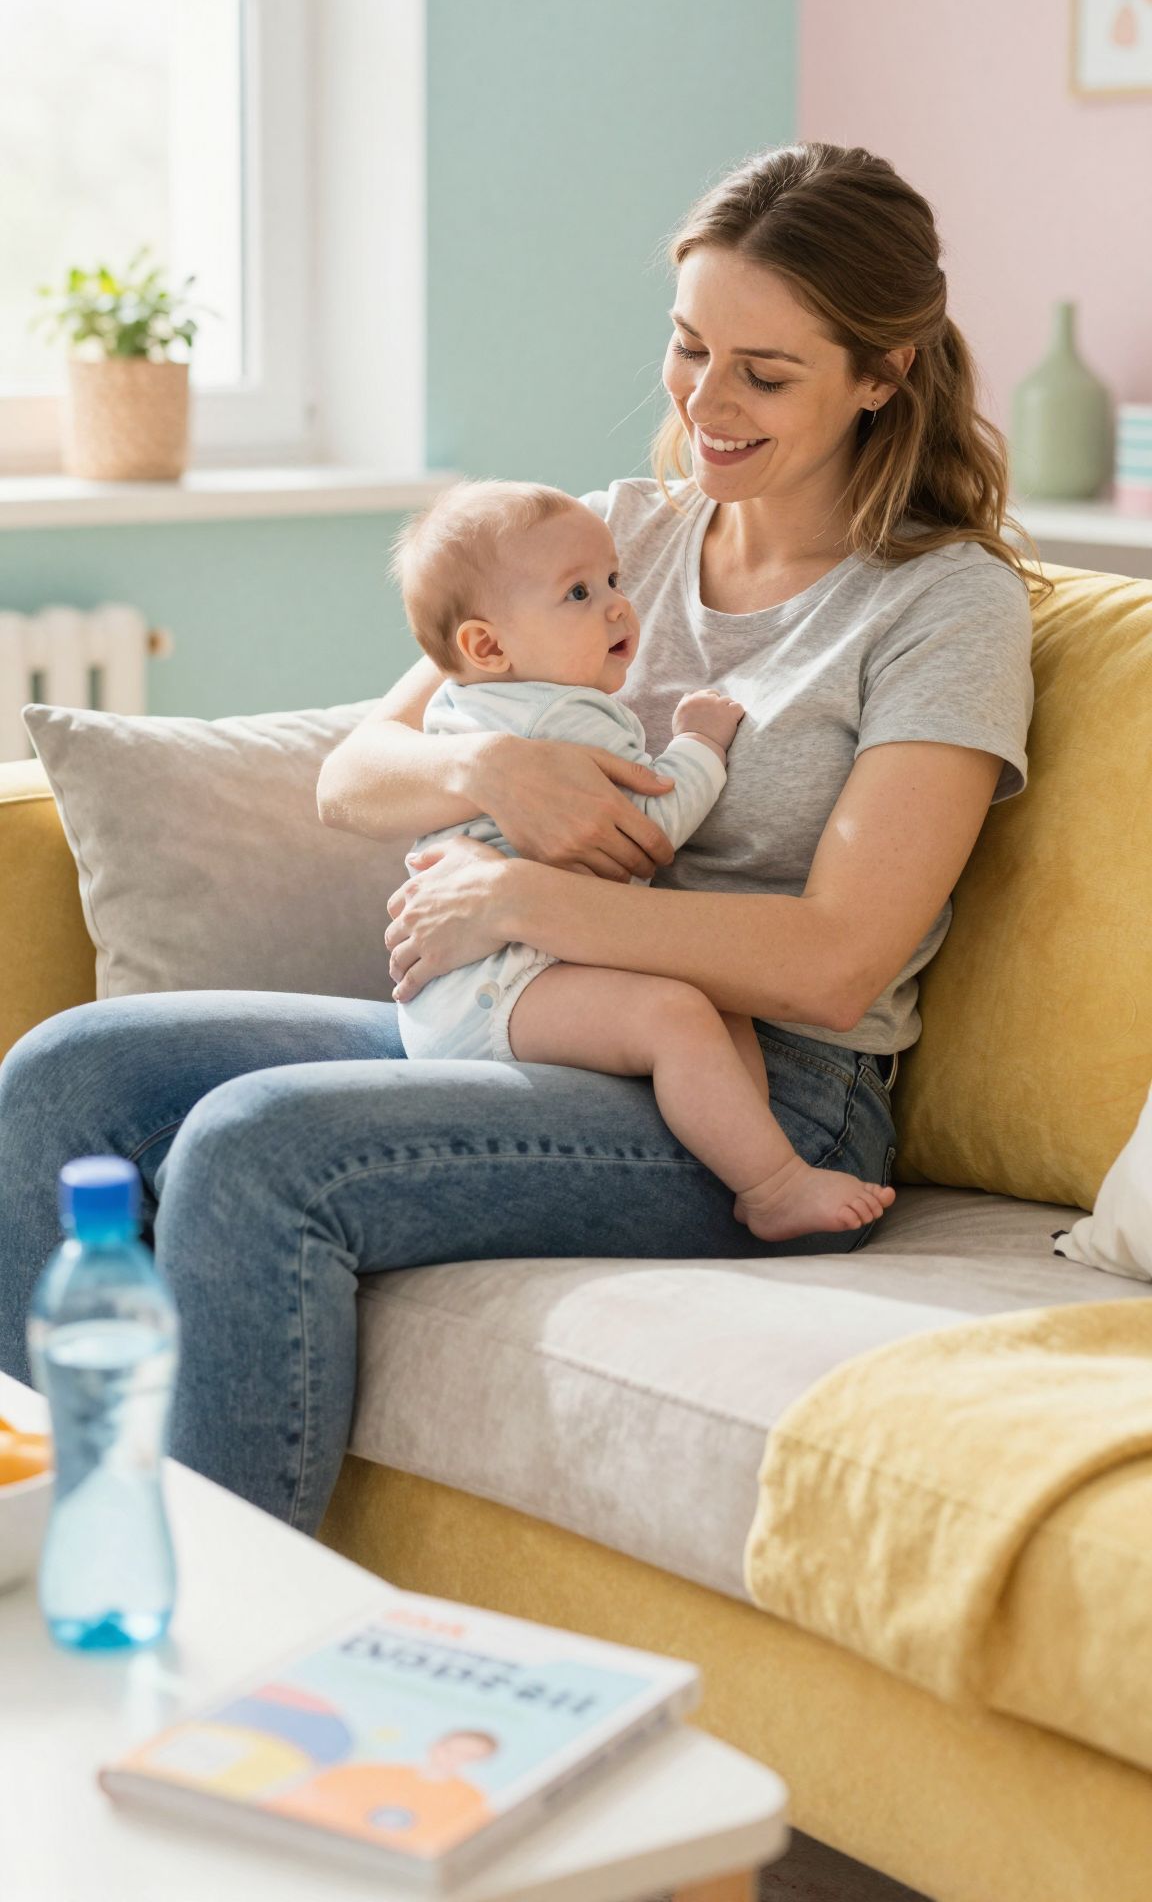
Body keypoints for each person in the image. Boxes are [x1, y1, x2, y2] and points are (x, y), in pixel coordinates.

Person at [0, 142, 1041, 1538]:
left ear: (882, 373)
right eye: (689, 347)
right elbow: (356, 776)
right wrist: (488, 763)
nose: (704, 403)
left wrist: (517, 899)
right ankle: (34, 1554)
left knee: (258, 1146)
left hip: (761, 1087)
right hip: (519, 1013)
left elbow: (836, 960)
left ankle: (216, 1630)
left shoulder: (943, 607)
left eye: (764, 373)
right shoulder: (619, 534)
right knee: (67, 1075)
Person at [391, 477, 895, 1240]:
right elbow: (652, 824)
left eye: (614, 580)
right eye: (579, 594)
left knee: (713, 1000)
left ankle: (755, 1148)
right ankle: (772, 1181)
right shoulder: (567, 713)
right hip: (507, 983)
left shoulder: (469, 703)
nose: (618, 606)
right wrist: (698, 744)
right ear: (486, 646)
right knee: (676, 1015)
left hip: (472, 985)